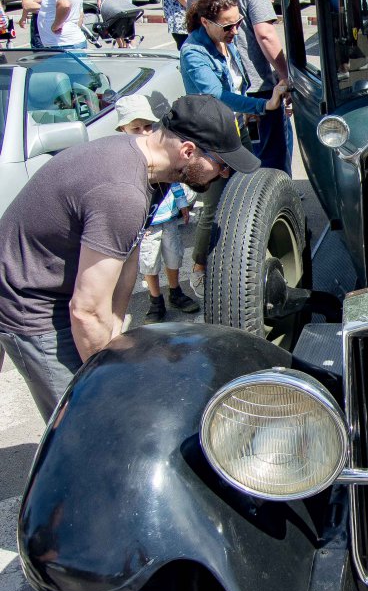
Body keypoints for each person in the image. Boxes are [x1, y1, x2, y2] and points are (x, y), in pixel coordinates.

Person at [0, 94, 258, 419]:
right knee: (82, 417)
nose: (224, 174)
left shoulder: (155, 170)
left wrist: (113, 332)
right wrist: (108, 380)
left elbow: (128, 255)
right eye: (221, 164)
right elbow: (86, 311)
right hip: (30, 298)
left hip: (61, 281)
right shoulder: (123, 193)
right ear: (188, 151)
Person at [180, 0, 289, 295]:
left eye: (238, 22)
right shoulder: (193, 53)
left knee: (247, 189)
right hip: (212, 137)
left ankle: (242, 255)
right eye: (228, 26)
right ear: (205, 22)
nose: (235, 30)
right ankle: (200, 268)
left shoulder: (226, 42)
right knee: (215, 204)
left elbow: (236, 85)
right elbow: (217, 95)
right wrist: (262, 106)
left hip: (234, 128)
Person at [188, 0, 292, 176]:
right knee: (271, 161)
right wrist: (286, 75)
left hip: (226, 91)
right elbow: (265, 33)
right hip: (257, 86)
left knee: (240, 165)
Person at [114, 95, 200, 323]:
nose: (143, 132)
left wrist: (182, 203)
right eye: (136, 128)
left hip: (168, 217)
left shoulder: (160, 150)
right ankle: (155, 300)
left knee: (174, 256)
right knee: (149, 262)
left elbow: (174, 179)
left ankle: (175, 292)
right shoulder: (126, 160)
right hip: (147, 226)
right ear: (123, 130)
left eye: (148, 126)